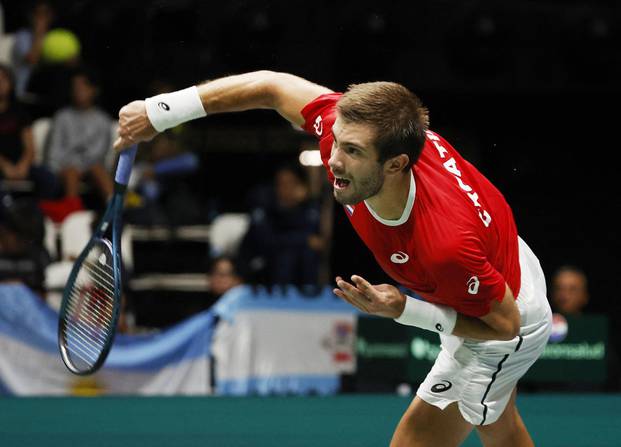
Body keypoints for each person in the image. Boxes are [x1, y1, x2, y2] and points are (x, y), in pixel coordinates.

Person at [114, 71, 552, 447]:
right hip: (495, 261)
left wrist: (405, 309)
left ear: (397, 164)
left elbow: (504, 326)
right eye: (338, 142)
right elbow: (270, 85)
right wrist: (159, 112)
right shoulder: (349, 135)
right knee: (494, 416)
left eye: (354, 152)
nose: (334, 160)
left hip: (507, 316)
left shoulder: (445, 245)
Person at [239, 163, 323, 286]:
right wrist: (303, 239)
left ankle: (309, 294)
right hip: (260, 266)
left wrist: (297, 207)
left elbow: (315, 240)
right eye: (281, 184)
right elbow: (267, 241)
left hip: (297, 272)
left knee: (306, 254)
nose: (286, 188)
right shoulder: (264, 205)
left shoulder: (306, 207)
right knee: (286, 257)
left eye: (292, 183)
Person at [44, 69, 113, 213]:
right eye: (75, 87)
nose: (79, 90)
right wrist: (67, 167)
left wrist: (82, 166)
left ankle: (115, 208)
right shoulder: (62, 117)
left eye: (83, 86)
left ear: (94, 90)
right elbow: (54, 151)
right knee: (71, 171)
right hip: (65, 168)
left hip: (92, 168)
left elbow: (100, 152)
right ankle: (72, 210)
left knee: (97, 169)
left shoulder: (103, 120)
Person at [0, 63, 59, 200]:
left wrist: (23, 165)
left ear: (11, 83)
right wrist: (5, 166)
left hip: (20, 163)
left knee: (49, 179)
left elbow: (30, 146)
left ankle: (40, 214)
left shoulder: (20, 112)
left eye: (4, 79)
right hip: (3, 165)